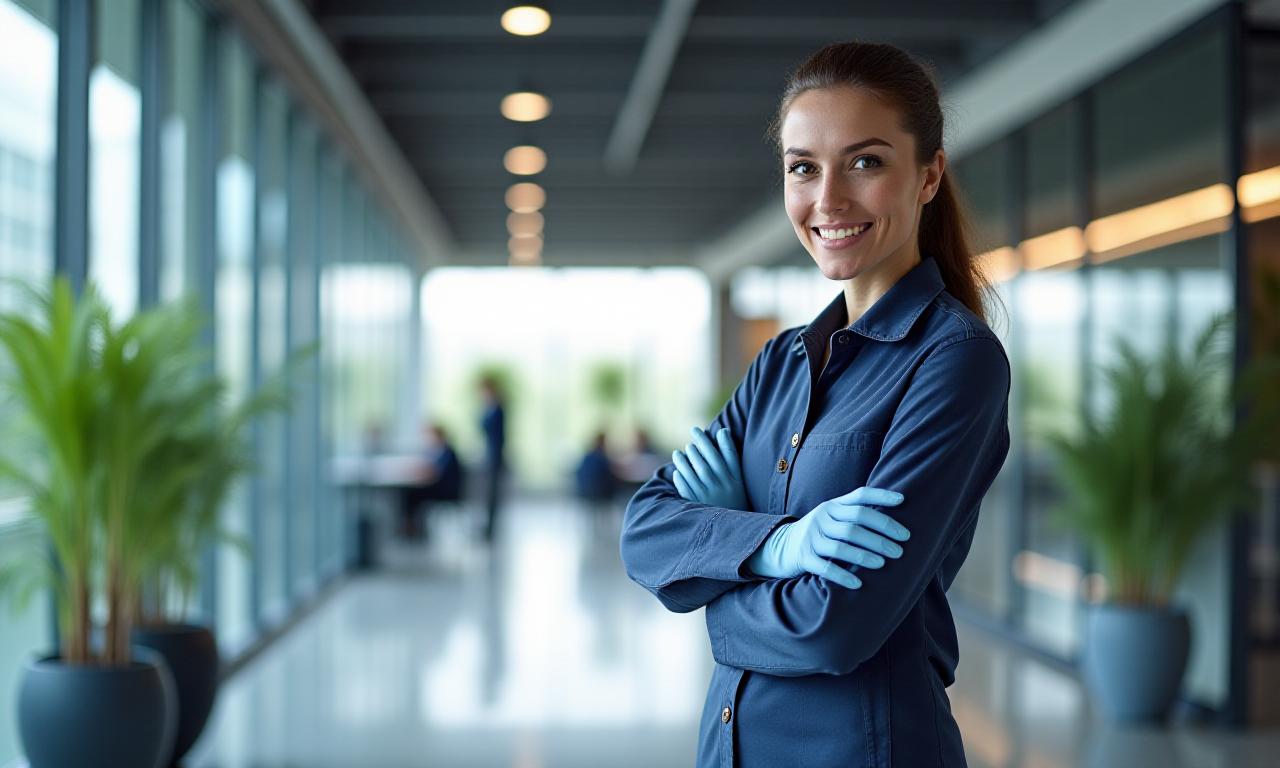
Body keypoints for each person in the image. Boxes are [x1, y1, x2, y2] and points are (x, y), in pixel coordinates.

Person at [619, 41, 1011, 768]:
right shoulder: (780, 361)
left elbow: (834, 627)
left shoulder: (954, 361)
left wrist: (716, 571)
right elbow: (643, 532)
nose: (827, 199)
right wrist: (777, 545)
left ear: (928, 176)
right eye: (804, 167)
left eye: (865, 162)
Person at [399, 423, 463, 540]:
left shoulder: (448, 452)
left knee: (412, 494)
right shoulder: (434, 451)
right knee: (409, 493)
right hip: (437, 487)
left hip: (446, 492)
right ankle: (412, 527)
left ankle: (411, 528)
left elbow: (436, 472)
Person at [478, 376, 507, 543]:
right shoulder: (492, 408)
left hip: (495, 456)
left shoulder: (497, 409)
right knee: (488, 493)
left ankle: (491, 528)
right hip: (490, 455)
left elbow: (488, 428)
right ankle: (488, 527)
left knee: (492, 494)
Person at [575, 430, 618, 507]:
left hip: (584, 490)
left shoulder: (587, 457)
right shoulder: (601, 458)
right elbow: (610, 474)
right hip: (599, 491)